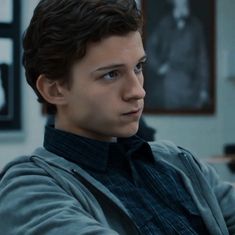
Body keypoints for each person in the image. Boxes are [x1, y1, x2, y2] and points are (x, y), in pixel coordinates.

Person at [0, 0, 234, 234]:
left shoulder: (177, 161)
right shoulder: (29, 187)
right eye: (111, 74)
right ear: (55, 89)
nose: (138, 91)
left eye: (139, 67)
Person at [145, 0, 210, 110]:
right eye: (183, 3)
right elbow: (149, 48)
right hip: (171, 83)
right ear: (175, 4)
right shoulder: (164, 24)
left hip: (192, 85)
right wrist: (158, 67)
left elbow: (202, 59)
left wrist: (204, 88)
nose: (186, 6)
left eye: (186, 3)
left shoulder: (196, 26)